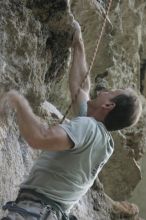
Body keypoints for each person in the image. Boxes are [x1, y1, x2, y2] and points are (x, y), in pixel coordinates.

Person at [0, 21, 142, 220]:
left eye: (109, 92)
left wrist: (17, 100)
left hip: (35, 213)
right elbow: (81, 88)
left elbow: (40, 137)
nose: (102, 91)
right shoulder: (102, 142)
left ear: (108, 106)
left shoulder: (88, 128)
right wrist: (78, 43)